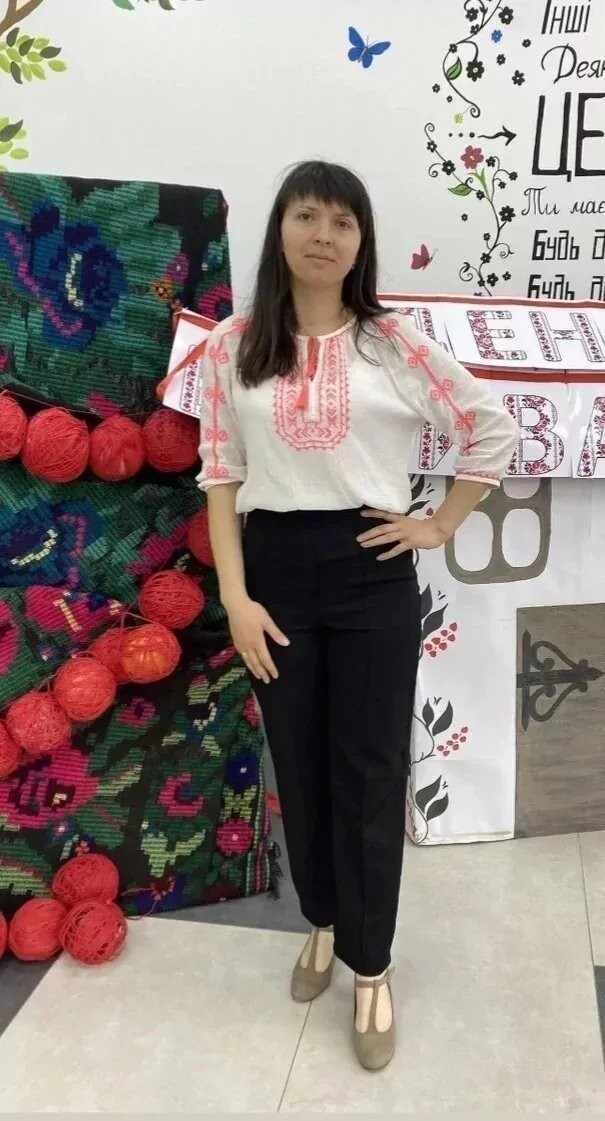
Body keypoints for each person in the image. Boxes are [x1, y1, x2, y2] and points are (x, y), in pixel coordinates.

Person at [197, 160, 518, 1071]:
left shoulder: (392, 344)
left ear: (360, 242)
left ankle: (370, 963)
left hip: (371, 570)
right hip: (273, 572)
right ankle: (322, 919)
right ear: (281, 230)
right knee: (298, 762)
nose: (324, 235)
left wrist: (438, 523)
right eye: (307, 216)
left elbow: (490, 427)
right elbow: (220, 478)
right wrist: (235, 597)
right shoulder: (234, 345)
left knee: (370, 767)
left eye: (343, 222)